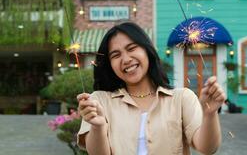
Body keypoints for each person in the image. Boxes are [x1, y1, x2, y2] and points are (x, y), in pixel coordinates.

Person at [77, 22, 226, 155]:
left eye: (132, 48)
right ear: (110, 64)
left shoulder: (182, 98)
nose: (126, 59)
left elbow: (207, 148)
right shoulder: (99, 101)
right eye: (116, 55)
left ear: (147, 50)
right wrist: (98, 126)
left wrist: (209, 114)